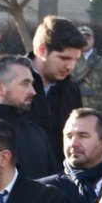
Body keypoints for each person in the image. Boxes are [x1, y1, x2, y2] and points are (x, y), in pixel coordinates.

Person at [27, 15, 87, 157]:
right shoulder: (8, 80)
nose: (70, 66)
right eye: (64, 58)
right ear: (42, 50)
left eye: (75, 60)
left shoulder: (71, 89)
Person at [70, 26, 102, 114]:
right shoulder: (68, 62)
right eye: (81, 38)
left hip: (100, 116)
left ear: (93, 40)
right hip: (73, 115)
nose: (85, 41)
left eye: (88, 38)